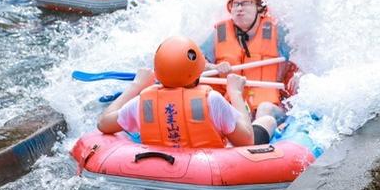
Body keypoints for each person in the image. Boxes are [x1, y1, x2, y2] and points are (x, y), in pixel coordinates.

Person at [97, 36, 277, 147]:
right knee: (267, 120)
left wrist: (136, 86)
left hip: (161, 165)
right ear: (197, 70)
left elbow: (103, 124)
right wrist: (236, 93)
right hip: (210, 167)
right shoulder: (212, 100)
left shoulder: (142, 102)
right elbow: (246, 141)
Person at [201, 0, 300, 122]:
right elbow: (194, 62)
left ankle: (257, 136)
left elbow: (300, 58)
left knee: (264, 109)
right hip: (233, 104)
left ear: (260, 8)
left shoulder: (278, 31)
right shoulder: (219, 33)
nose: (239, 8)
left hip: (271, 105)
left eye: (246, 3)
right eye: (236, 4)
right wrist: (214, 67)